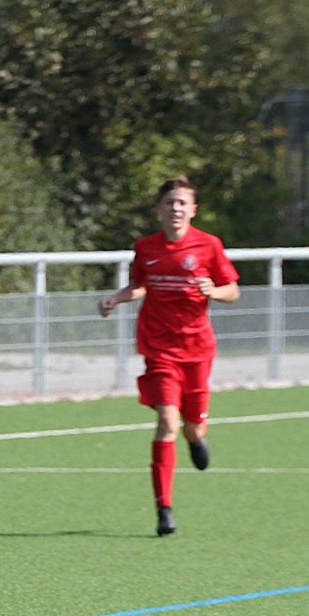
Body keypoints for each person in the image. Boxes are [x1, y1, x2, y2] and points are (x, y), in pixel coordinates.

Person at [97, 176, 240, 536]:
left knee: (192, 425)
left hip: (197, 349)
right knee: (167, 422)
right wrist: (115, 298)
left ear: (193, 210)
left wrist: (214, 291)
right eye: (169, 202)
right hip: (158, 348)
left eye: (182, 203)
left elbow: (232, 290)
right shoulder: (145, 247)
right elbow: (139, 285)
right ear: (159, 209)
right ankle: (164, 509)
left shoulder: (208, 245)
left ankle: (196, 438)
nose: (175, 208)